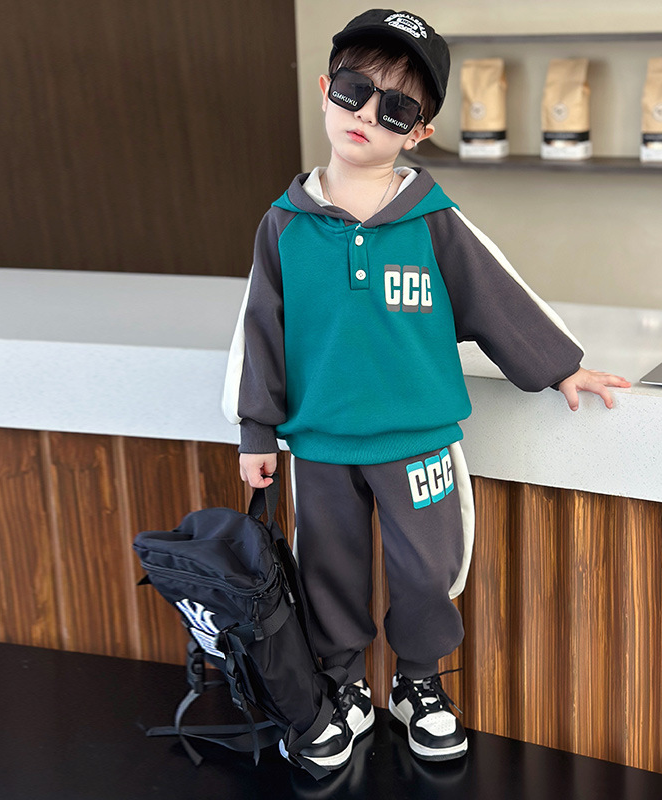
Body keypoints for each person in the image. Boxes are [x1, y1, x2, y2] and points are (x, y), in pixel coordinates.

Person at [223, 8, 631, 771]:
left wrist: (561, 365)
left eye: (395, 107)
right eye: (354, 90)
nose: (366, 114)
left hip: (418, 443)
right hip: (321, 445)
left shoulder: (434, 221)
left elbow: (497, 299)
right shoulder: (282, 226)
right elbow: (260, 335)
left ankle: (418, 683)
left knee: (426, 572)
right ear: (325, 90)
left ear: (419, 131)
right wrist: (256, 431)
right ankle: (342, 684)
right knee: (328, 575)